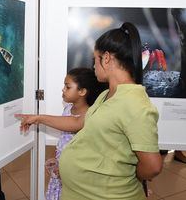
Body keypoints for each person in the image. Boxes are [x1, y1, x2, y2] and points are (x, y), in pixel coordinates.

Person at [17, 22, 163, 200]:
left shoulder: (135, 104)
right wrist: (38, 118)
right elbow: (78, 122)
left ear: (107, 58)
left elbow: (152, 166)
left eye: (96, 59)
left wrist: (130, 178)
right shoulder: (107, 95)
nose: (94, 65)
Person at [45, 68, 107, 200]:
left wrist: (66, 169)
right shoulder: (67, 108)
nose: (63, 89)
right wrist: (56, 160)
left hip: (74, 172)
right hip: (61, 168)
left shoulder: (89, 116)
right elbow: (63, 141)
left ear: (82, 91)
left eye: (67, 87)